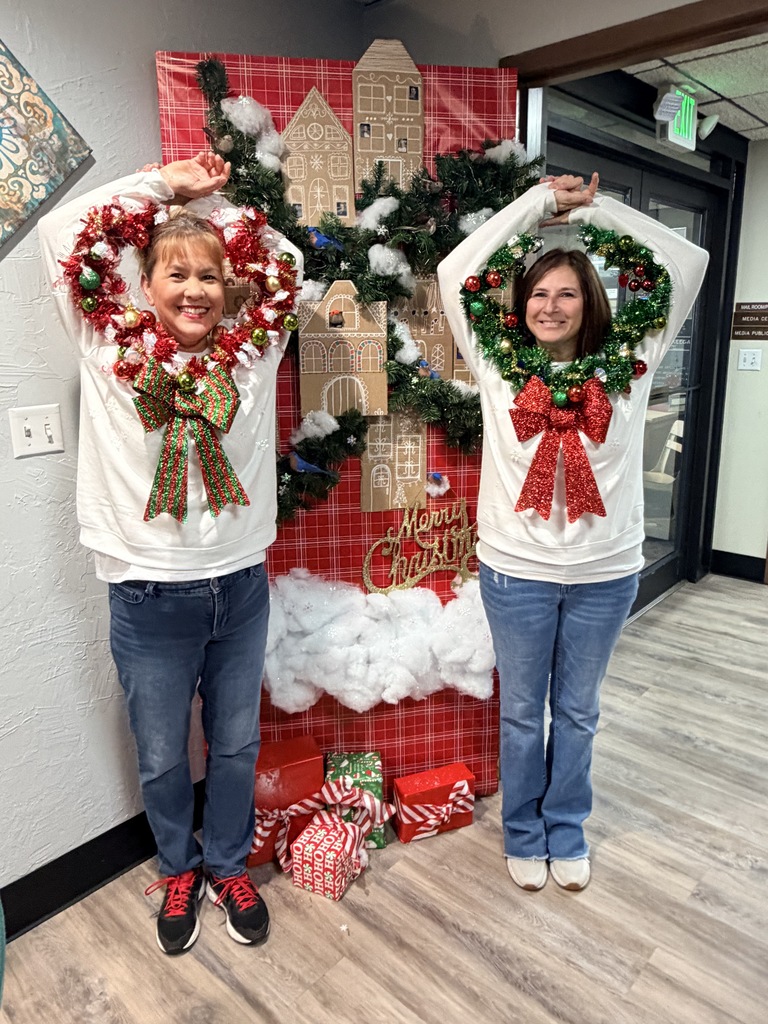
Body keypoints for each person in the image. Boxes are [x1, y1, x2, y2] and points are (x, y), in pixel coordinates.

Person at [39, 152, 303, 952]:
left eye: (211, 276)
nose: (194, 290)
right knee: (160, 755)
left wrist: (216, 205)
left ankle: (227, 864)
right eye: (175, 274)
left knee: (235, 744)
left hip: (241, 586)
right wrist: (164, 186)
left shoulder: (254, 354)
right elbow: (59, 233)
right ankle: (177, 866)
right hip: (149, 594)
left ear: (231, 289)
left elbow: (285, 261)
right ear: (143, 286)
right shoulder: (106, 345)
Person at [437, 172, 708, 891]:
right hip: (516, 573)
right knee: (524, 713)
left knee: (579, 712)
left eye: (566, 292)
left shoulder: (630, 370)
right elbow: (456, 272)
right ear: (520, 306)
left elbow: (689, 263)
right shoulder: (499, 369)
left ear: (591, 302)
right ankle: (523, 830)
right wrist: (537, 208)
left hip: (605, 574)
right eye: (537, 293)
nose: (550, 305)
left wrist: (597, 210)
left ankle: (567, 824)